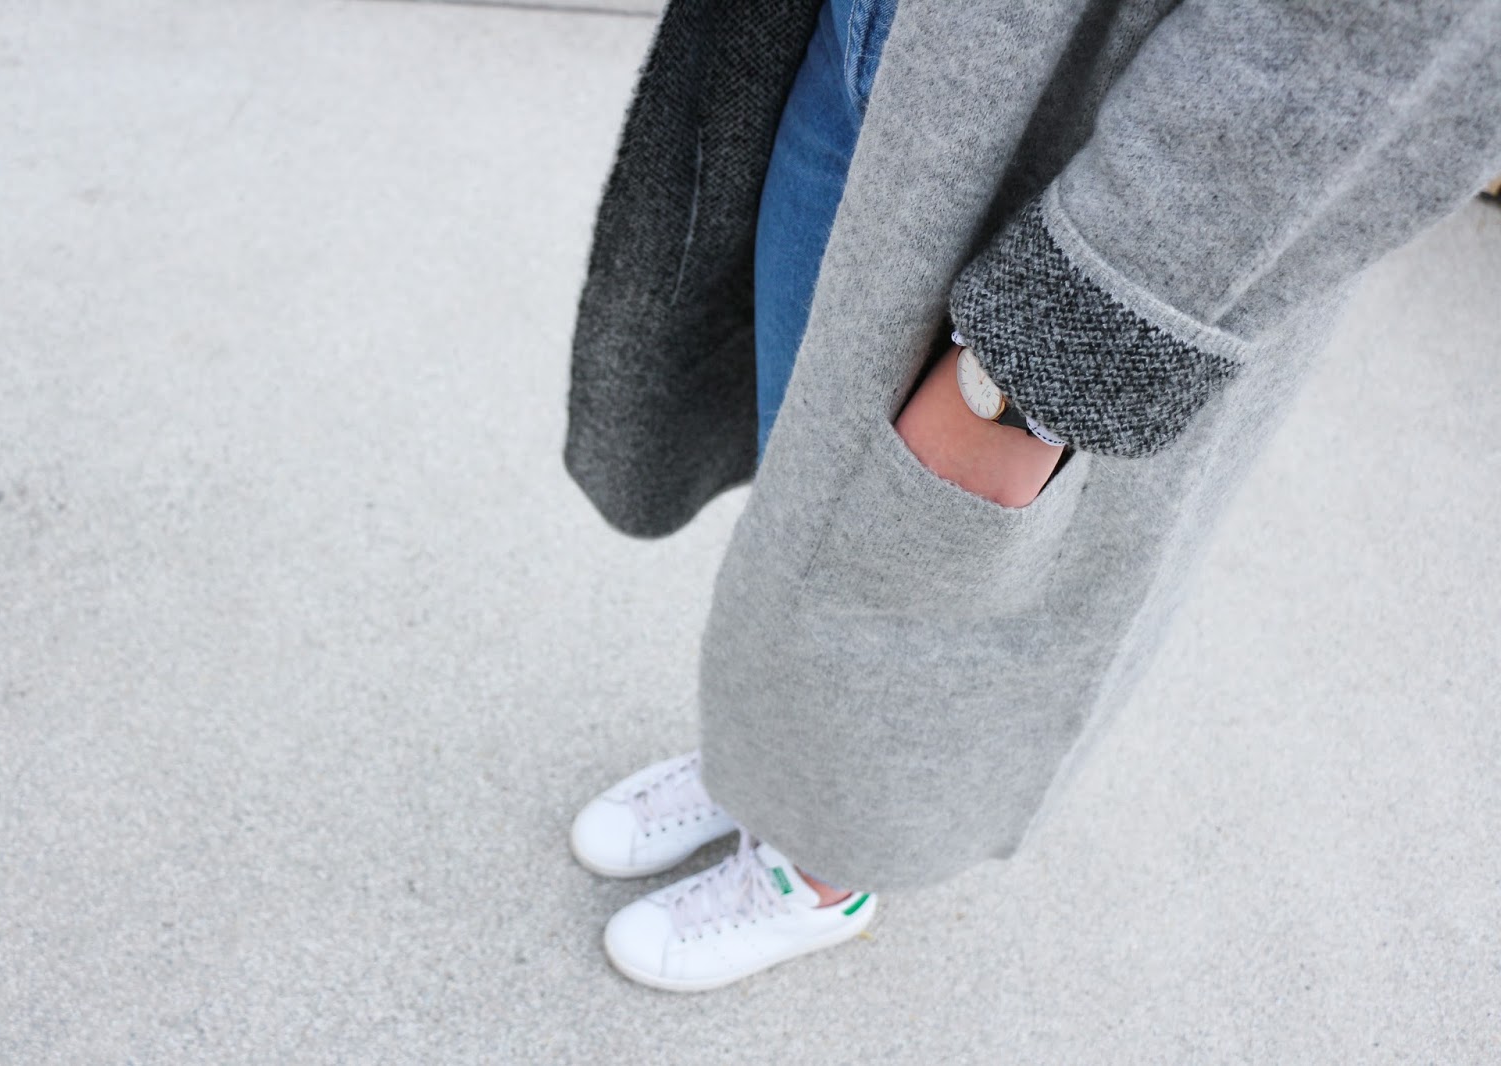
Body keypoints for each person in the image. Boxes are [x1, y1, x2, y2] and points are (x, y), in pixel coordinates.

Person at [562, 0, 1501, 992]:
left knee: (901, 579)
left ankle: (820, 872)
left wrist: (1048, 360)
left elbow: (1385, 48)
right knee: (803, 491)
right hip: (863, 56)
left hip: (1082, 175)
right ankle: (760, 768)